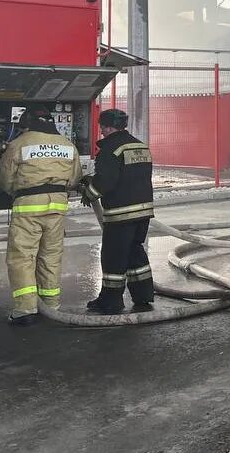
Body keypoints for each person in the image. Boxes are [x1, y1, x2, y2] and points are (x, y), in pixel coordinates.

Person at [0, 106, 82, 325]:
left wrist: (15, 192)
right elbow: (74, 179)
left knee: (22, 257)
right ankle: (51, 305)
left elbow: (5, 179)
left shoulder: (19, 143)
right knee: (51, 256)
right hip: (57, 206)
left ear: (26, 125)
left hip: (28, 207)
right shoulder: (67, 145)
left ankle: (26, 310)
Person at [80, 109, 156, 314]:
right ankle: (143, 296)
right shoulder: (140, 146)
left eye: (102, 128)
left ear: (106, 126)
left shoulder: (111, 148)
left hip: (120, 213)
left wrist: (89, 193)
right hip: (143, 211)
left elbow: (106, 180)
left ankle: (111, 301)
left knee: (114, 256)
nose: (102, 132)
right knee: (135, 253)